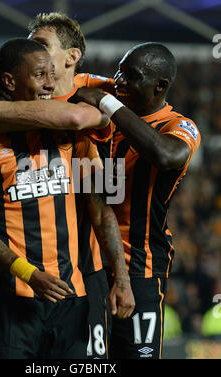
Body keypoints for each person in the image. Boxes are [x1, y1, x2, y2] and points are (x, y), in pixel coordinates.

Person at [0, 12, 135, 359]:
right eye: (40, 74)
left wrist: (121, 278)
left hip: (81, 290)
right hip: (10, 299)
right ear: (9, 81)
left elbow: (102, 208)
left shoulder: (85, 111)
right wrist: (29, 274)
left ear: (71, 58)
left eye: (50, 71)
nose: (49, 83)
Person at [68, 42, 201, 359]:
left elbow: (166, 155)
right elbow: (37, 80)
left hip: (139, 266)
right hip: (87, 266)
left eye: (131, 76)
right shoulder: (108, 95)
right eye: (118, 71)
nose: (119, 80)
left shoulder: (177, 126)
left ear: (159, 86)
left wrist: (105, 101)